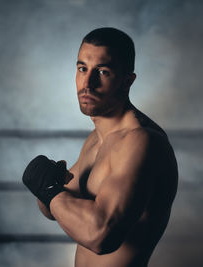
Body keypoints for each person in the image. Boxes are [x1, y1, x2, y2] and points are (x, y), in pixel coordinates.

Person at [23, 27, 178, 267]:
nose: (88, 82)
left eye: (103, 72)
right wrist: (46, 190)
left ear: (127, 80)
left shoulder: (140, 141)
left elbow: (101, 236)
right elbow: (57, 210)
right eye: (82, 69)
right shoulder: (96, 140)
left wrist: (50, 191)